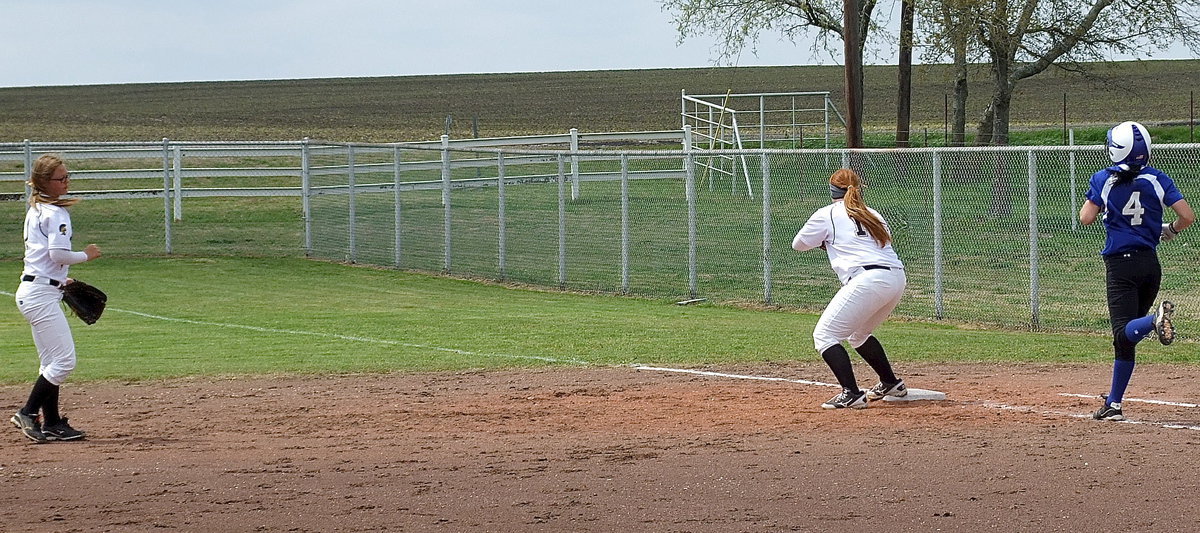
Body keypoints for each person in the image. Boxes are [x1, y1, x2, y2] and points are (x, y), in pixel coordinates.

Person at [1080, 121, 1194, 422]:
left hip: (1121, 265)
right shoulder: (1157, 179)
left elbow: (1086, 218)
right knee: (1127, 338)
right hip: (1149, 264)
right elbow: (1187, 216)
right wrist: (1168, 229)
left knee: (1122, 332)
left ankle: (1154, 321)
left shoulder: (1105, 178)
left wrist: (1105, 204)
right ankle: (1114, 404)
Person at [791, 168, 908, 409]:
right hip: (895, 277)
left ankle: (851, 393)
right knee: (859, 335)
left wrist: (824, 241)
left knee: (825, 336)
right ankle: (890, 383)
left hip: (867, 279)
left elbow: (799, 244)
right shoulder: (872, 214)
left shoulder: (828, 214)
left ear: (832, 190)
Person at [10, 154, 102, 443]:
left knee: (50, 361)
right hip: (39, 295)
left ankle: (51, 422)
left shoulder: (37, 209)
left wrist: (62, 278)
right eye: (60, 178)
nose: (66, 181)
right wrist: (86, 255)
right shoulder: (55, 213)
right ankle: (27, 412)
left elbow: (41, 257)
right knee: (64, 361)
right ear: (43, 182)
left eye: (67, 176)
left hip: (39, 289)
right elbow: (57, 254)